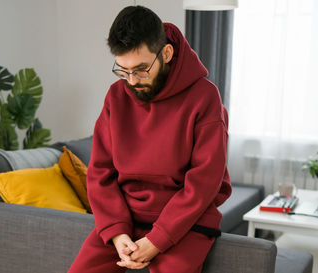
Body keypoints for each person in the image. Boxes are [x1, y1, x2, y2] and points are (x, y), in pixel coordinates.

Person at [68, 5, 231, 273]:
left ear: (166, 53)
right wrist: (117, 234)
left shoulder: (205, 96)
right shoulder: (116, 96)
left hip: (185, 221)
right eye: (123, 70)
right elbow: (100, 173)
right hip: (125, 217)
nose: (132, 81)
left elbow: (204, 181)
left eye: (142, 69)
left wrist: (157, 240)